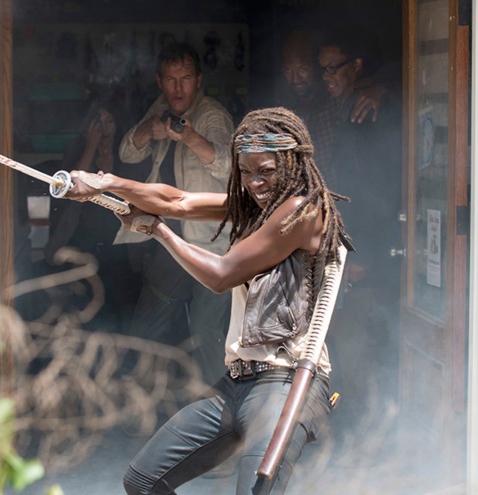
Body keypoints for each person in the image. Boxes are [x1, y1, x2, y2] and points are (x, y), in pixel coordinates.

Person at [66, 107, 353, 495]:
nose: (254, 183)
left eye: (265, 171)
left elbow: (221, 274)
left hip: (284, 383)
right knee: (142, 481)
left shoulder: (302, 211)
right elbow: (178, 200)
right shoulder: (257, 207)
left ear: (291, 164)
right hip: (238, 383)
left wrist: (159, 232)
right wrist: (106, 183)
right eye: (245, 171)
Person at [115, 42, 234, 384]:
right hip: (170, 240)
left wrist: (189, 137)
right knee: (146, 323)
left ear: (199, 80)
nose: (178, 88)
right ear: (159, 81)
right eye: (170, 79)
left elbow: (230, 169)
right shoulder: (160, 109)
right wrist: (147, 130)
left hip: (211, 245)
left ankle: (221, 403)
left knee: (204, 328)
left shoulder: (212, 116)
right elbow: (127, 153)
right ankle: (141, 399)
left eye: (185, 79)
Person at [311, 29, 402, 457]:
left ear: (358, 65)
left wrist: (359, 255)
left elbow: (372, 192)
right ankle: (356, 436)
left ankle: (367, 443)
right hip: (348, 249)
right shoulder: (348, 104)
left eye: (334, 67)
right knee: (346, 347)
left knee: (354, 347)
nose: (326, 76)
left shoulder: (366, 109)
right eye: (323, 69)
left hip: (362, 253)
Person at [42, 98, 140, 332]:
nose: (103, 128)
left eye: (109, 121)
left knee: (119, 302)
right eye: (98, 122)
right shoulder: (77, 150)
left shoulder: (125, 153)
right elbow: (69, 187)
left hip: (118, 239)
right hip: (82, 237)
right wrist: (91, 145)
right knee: (84, 299)